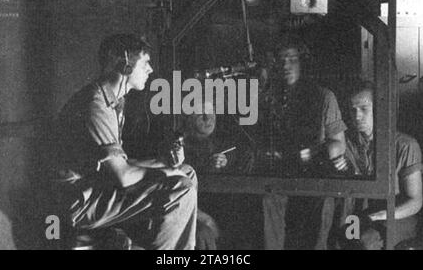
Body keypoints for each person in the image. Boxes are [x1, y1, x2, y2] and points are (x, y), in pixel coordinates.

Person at [51, 33, 197, 250]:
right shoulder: (95, 105)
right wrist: (168, 172)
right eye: (145, 62)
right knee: (181, 188)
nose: (150, 69)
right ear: (125, 63)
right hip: (78, 201)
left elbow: (119, 165)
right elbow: (122, 176)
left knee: (187, 172)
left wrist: (168, 164)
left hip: (96, 187)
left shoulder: (113, 102)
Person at [261, 33, 348, 249]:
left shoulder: (324, 97)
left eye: (292, 59)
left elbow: (339, 144)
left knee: (319, 215)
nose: (285, 66)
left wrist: (315, 153)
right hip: (277, 178)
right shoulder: (266, 98)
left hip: (313, 178)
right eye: (281, 60)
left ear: (303, 63)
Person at [334, 81, 422, 249]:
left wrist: (381, 215)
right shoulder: (349, 144)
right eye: (353, 110)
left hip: (397, 215)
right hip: (364, 214)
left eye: (363, 109)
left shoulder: (405, 145)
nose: (357, 116)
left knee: (366, 242)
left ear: (380, 110)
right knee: (342, 238)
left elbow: (416, 201)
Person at [181, 100, 260, 249]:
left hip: (224, 217)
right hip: (195, 214)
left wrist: (226, 161)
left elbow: (236, 156)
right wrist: (206, 220)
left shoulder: (224, 141)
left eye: (211, 113)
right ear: (189, 118)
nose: (208, 118)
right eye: (201, 114)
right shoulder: (181, 147)